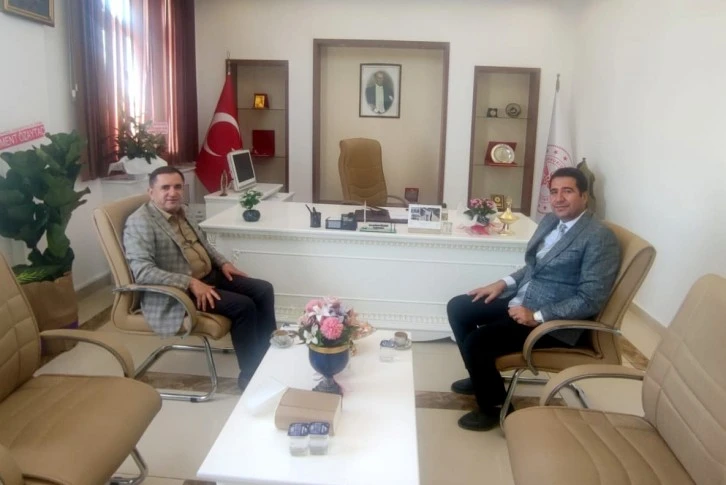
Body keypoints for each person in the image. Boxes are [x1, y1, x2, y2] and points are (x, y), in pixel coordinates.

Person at [447, 167, 620, 431]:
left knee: (478, 342)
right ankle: (480, 375)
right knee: (459, 307)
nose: (559, 198)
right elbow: (534, 267)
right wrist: (502, 283)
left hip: (555, 321)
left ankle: (495, 408)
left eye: (567, 191)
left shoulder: (598, 237)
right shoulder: (551, 221)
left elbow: (590, 299)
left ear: (584, 196)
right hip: (524, 297)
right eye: (554, 192)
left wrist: (537, 316)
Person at [123, 166, 276, 389]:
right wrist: (190, 282)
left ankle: (269, 357)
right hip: (180, 291)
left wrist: (224, 263)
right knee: (243, 306)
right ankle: (250, 377)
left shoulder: (182, 211)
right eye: (165, 188)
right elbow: (143, 271)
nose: (172, 193)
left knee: (263, 289)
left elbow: (204, 245)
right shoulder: (140, 222)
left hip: (209, 276)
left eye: (177, 187)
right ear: (151, 192)